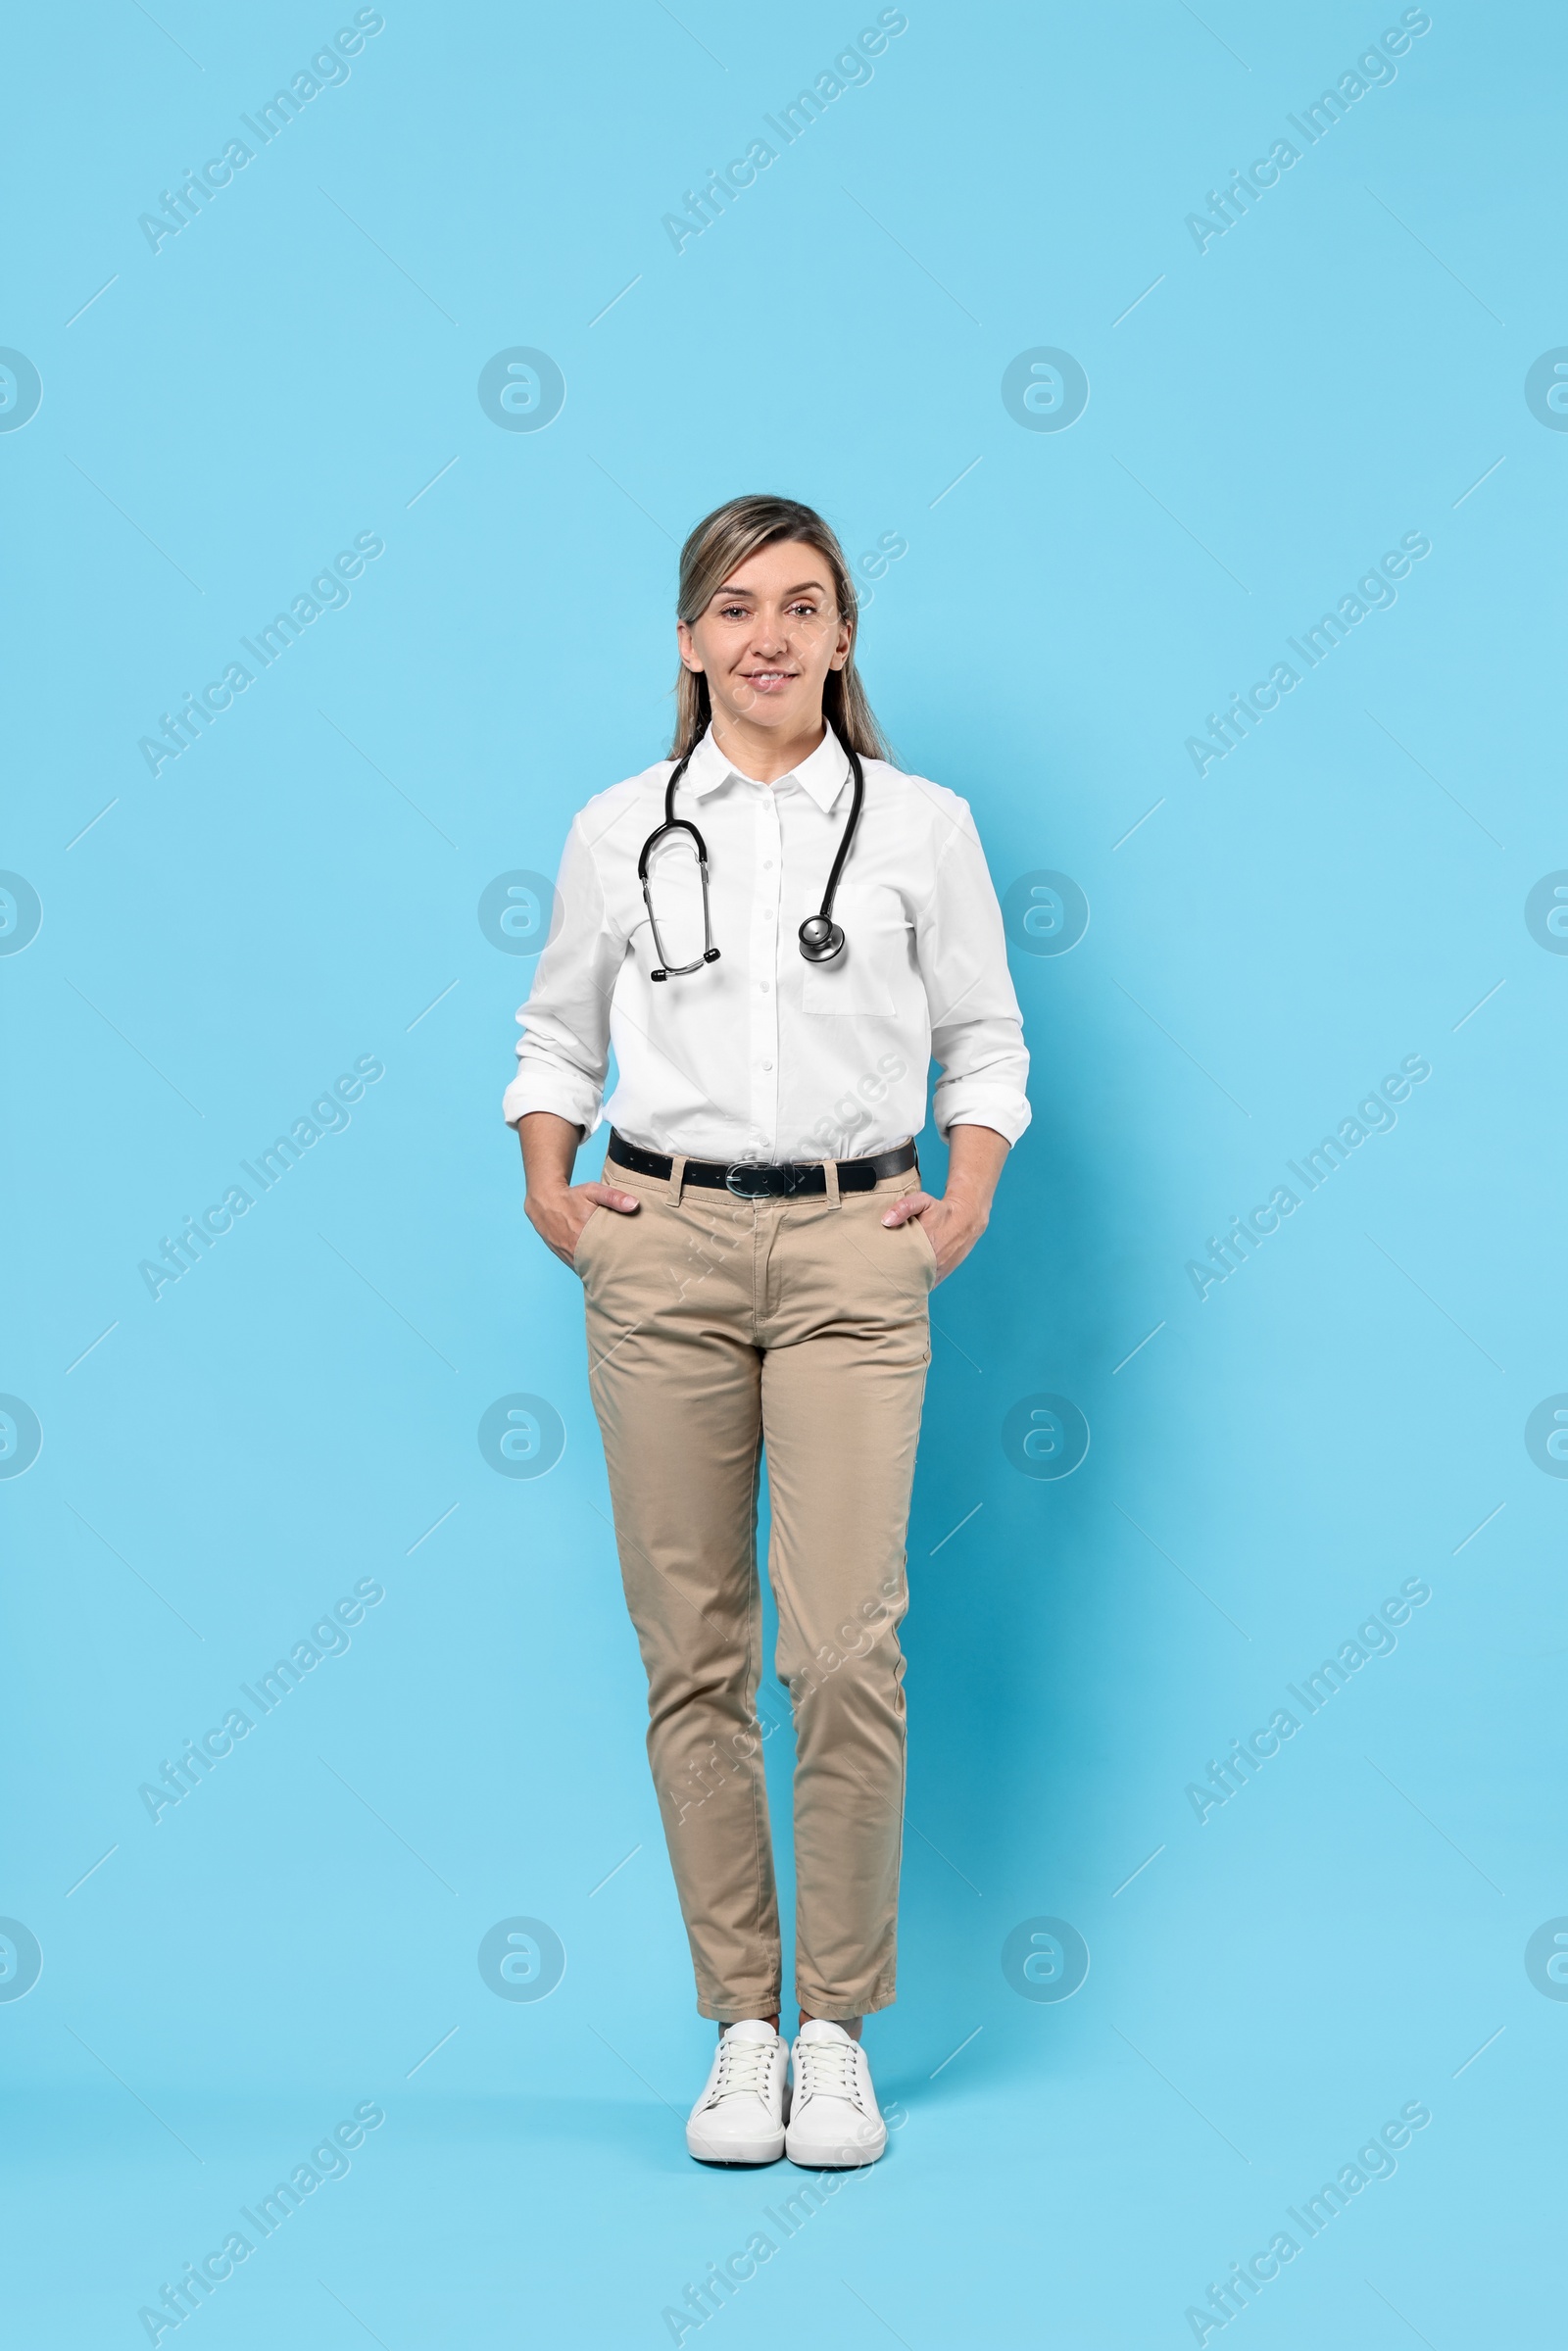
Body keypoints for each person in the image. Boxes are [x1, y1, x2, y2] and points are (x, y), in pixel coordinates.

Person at [504, 493, 1029, 2168]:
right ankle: (739, 2021)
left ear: (845, 635)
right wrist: (553, 1192)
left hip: (855, 1243)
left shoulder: (922, 826)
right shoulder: (617, 827)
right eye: (736, 608)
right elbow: (553, 1040)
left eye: (803, 606)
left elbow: (988, 1042)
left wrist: (960, 1206)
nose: (771, 637)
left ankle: (835, 2035)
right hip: (657, 1244)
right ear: (688, 639)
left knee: (842, 1645)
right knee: (696, 1653)